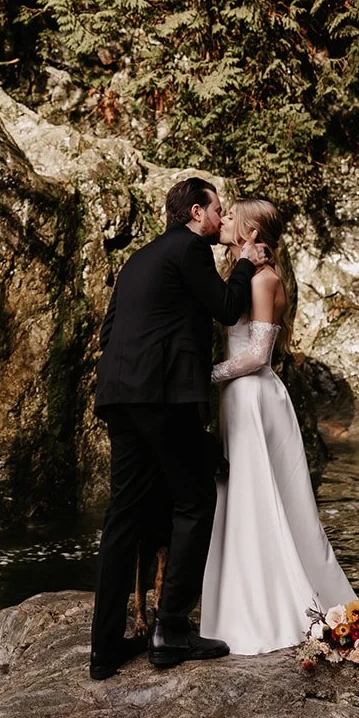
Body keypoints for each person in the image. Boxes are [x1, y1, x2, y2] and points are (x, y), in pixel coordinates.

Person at [90, 176, 269, 680]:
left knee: (123, 517)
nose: (220, 217)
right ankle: (170, 631)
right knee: (194, 500)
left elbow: (108, 332)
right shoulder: (190, 250)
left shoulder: (138, 260)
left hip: (119, 397)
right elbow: (226, 307)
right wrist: (244, 263)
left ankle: (104, 649)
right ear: (196, 212)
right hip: (163, 398)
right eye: (216, 209)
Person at [200, 197, 356, 654]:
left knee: (259, 497)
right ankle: (238, 600)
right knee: (240, 495)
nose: (224, 220)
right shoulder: (242, 274)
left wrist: (204, 375)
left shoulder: (264, 279)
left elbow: (256, 355)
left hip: (253, 395)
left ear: (250, 232)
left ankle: (270, 608)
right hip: (239, 396)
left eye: (231, 216)